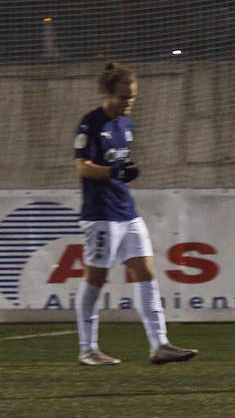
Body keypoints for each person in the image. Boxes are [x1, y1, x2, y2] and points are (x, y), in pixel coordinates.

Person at [71, 62, 197, 366]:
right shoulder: (91, 123)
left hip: (126, 211)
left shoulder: (126, 125)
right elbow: (82, 167)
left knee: (146, 272)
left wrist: (124, 170)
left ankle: (160, 345)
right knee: (96, 278)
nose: (129, 102)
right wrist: (113, 171)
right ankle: (87, 349)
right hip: (100, 214)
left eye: (132, 98)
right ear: (107, 93)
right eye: (123, 97)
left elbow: (119, 164)